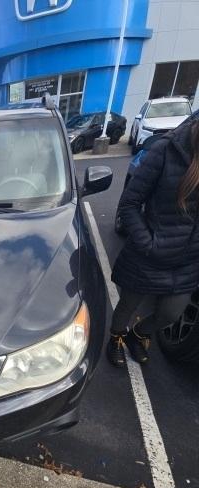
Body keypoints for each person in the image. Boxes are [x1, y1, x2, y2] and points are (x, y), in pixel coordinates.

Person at [107, 111, 199, 367]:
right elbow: (130, 203)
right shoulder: (166, 151)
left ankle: (140, 333)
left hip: (188, 260)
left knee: (170, 313)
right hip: (150, 253)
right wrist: (148, 242)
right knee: (127, 305)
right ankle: (116, 337)